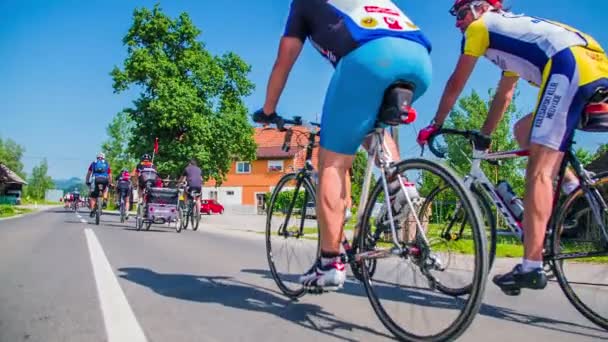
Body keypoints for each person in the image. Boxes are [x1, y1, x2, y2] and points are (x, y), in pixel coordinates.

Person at [416, 0, 608, 294]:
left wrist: (436, 123)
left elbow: (456, 82)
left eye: (461, 13)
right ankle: (573, 190)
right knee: (523, 131)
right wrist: (485, 135)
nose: (457, 22)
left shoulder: (481, 29)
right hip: (593, 62)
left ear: (482, 8)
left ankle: (531, 266)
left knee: (539, 172)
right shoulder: (512, 38)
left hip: (567, 64)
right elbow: (504, 96)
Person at [253, 0, 432, 290]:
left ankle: (329, 262)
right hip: (419, 62)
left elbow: (283, 61)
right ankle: (399, 184)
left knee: (333, 163)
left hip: (371, 58)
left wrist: (268, 110)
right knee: (365, 123)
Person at [86, 152, 113, 217]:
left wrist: (87, 181)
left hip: (95, 179)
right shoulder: (106, 163)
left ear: (97, 157)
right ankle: (105, 200)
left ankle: (92, 210)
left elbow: (89, 173)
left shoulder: (93, 163)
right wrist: (110, 182)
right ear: (104, 157)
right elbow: (110, 175)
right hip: (104, 179)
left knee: (93, 196)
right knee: (106, 189)